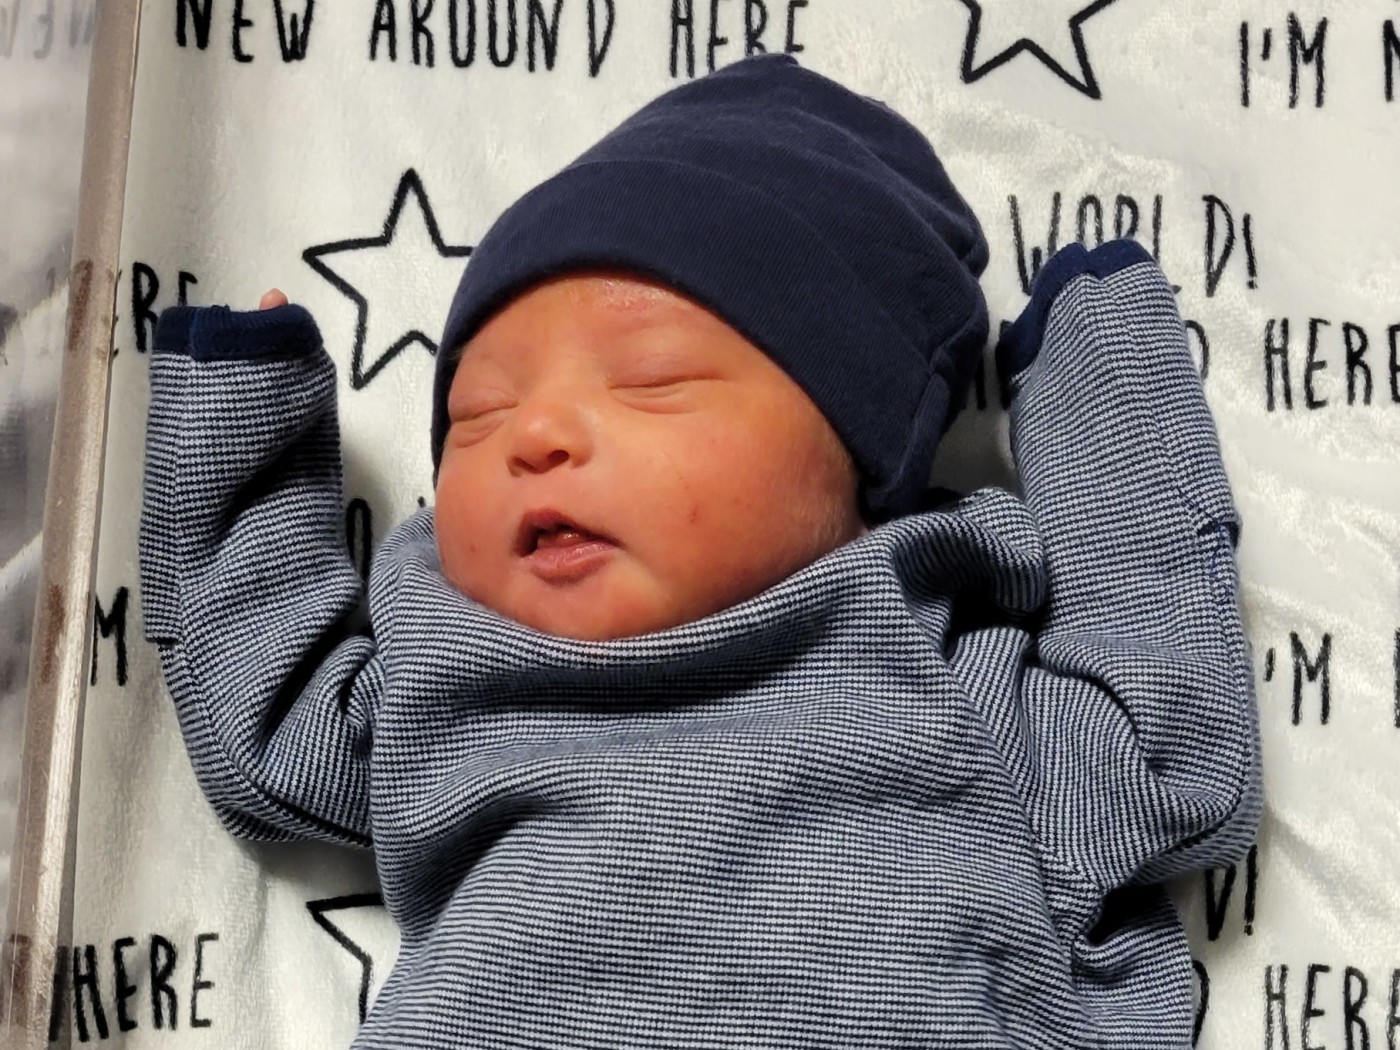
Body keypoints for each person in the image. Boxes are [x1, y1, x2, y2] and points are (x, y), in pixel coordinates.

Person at [139, 54, 1260, 1049]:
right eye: (478, 414)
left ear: (857, 460)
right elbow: (267, 728)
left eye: (650, 381)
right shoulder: (451, 673)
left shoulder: (941, 679)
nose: (534, 434)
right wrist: (248, 424)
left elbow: (1170, 747)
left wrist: (1098, 391)